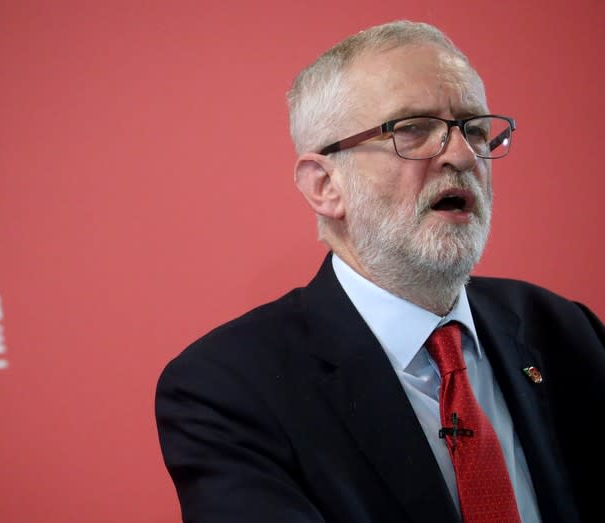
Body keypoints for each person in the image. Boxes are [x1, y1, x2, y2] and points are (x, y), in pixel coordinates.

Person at [154, 19, 605, 523]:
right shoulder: (228, 388)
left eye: (474, 129)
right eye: (412, 129)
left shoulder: (567, 332)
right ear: (325, 185)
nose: (461, 155)